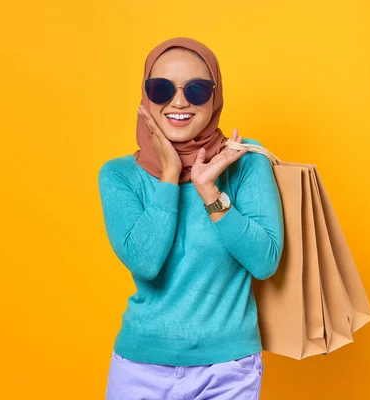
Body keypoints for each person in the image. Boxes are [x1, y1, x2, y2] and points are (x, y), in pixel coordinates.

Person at [98, 37, 284, 400]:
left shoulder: (244, 161)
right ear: (145, 95)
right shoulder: (120, 175)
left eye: (197, 89)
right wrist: (169, 175)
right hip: (140, 368)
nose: (179, 102)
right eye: (161, 88)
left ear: (215, 98)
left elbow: (265, 262)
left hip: (229, 369)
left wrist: (209, 191)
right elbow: (145, 262)